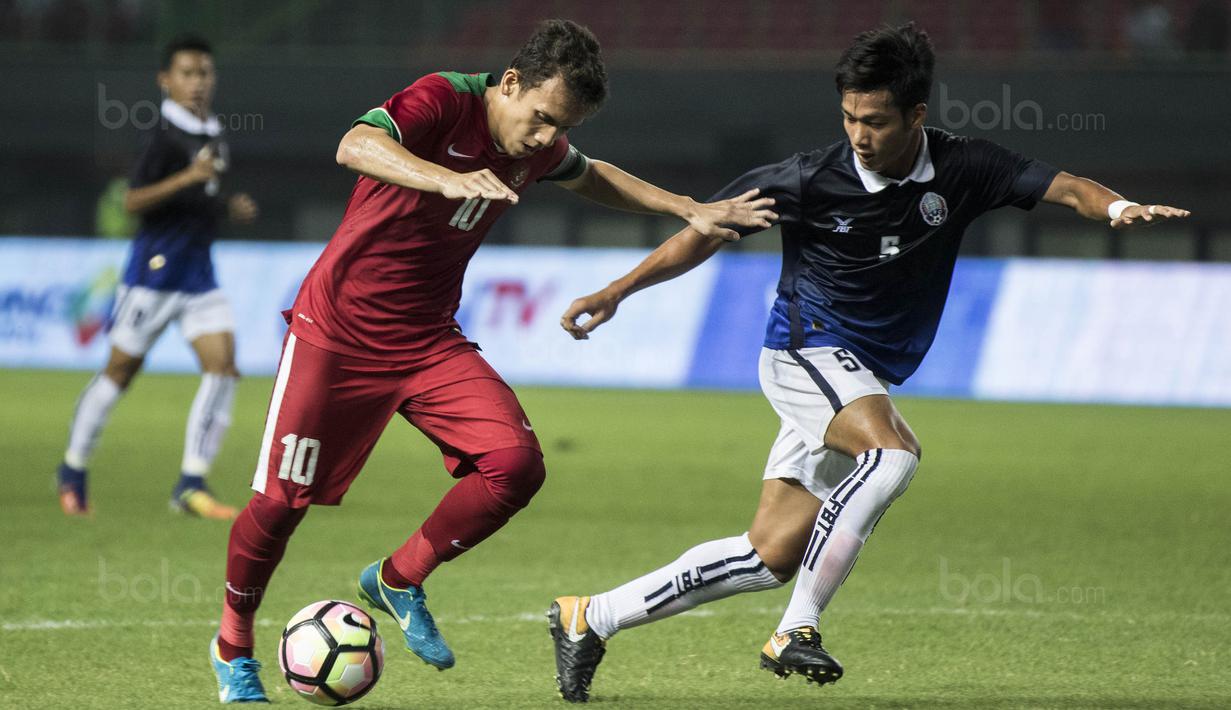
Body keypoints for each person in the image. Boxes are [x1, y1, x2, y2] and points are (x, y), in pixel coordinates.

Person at [550, 23, 1190, 703]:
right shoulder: (806, 178)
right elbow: (703, 231)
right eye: (850, 117)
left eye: (876, 121)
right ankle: (796, 628)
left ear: (915, 115)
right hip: (804, 351)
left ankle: (590, 617)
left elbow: (1062, 186)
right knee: (892, 455)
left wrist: (1115, 205)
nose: (859, 134)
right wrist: (616, 291)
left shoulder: (965, 166)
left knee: (768, 553)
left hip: (857, 374)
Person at [206, 19, 775, 704]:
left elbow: (589, 175)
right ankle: (232, 646)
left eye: (557, 127)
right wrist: (441, 178)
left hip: (425, 340)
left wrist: (688, 208)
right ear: (509, 82)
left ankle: (399, 576)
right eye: (538, 119)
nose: (542, 139)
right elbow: (354, 144)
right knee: (279, 506)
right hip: (337, 333)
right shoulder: (442, 99)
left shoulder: (535, 145)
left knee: (516, 465)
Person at [56, 33, 259, 519]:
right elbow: (133, 201)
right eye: (187, 74)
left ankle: (191, 483)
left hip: (199, 273)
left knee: (224, 366)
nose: (197, 83)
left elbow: (200, 197)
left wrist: (227, 206)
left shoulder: (211, 129)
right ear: (165, 81)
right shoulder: (163, 136)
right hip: (154, 272)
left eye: (204, 73)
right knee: (120, 373)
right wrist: (187, 178)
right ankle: (73, 468)